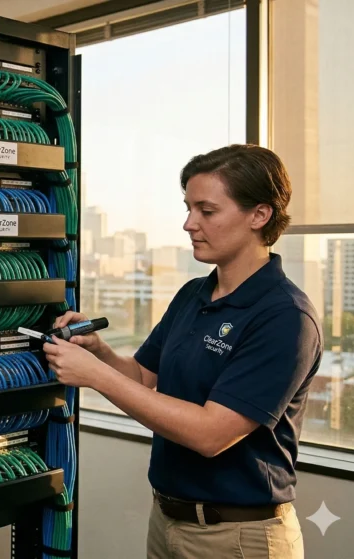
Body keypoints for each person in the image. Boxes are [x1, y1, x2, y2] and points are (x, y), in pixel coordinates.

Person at [44, 144, 320, 559]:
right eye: (189, 209)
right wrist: (98, 352)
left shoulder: (285, 316)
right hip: (168, 521)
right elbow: (141, 377)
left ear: (259, 215)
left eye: (207, 211)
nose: (189, 224)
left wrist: (94, 376)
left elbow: (210, 435)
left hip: (239, 537)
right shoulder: (194, 294)